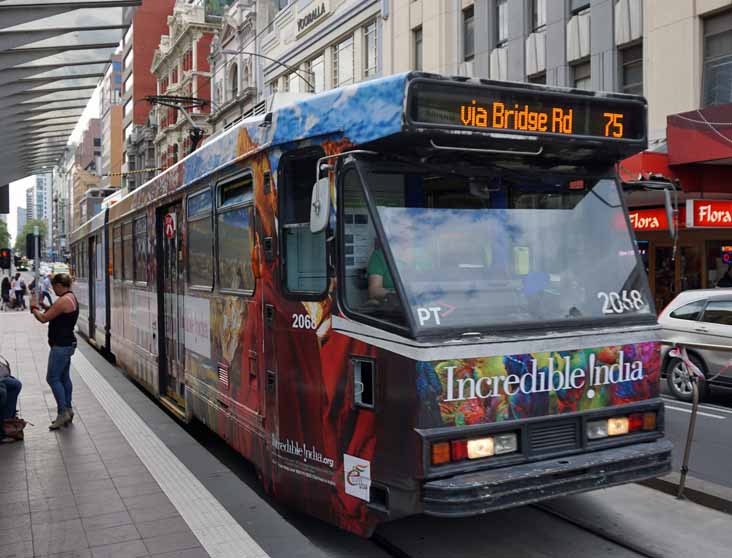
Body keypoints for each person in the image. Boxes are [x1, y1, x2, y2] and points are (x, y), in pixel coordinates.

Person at [30, 273, 79, 430]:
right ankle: (69, 410)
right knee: (64, 378)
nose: (53, 289)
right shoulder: (71, 297)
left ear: (59, 285)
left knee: (52, 378)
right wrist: (45, 307)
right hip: (68, 343)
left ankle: (62, 412)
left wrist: (34, 308)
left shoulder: (63, 300)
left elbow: (44, 318)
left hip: (61, 345)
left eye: (54, 286)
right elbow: (58, 314)